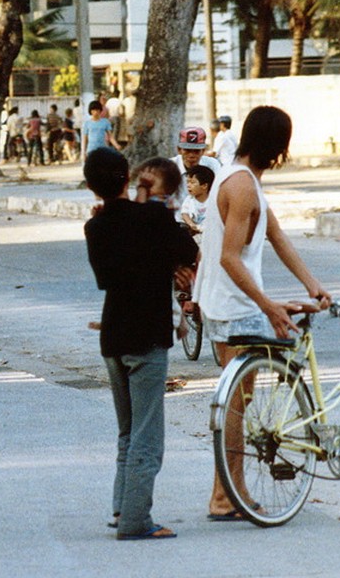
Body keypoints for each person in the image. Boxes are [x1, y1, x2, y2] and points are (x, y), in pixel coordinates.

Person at [192, 105, 331, 521]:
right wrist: (269, 306)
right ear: (277, 148)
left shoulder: (239, 177)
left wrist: (312, 284)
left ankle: (225, 492)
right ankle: (224, 496)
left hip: (229, 300)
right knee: (238, 402)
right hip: (233, 304)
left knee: (241, 398)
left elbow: (276, 235)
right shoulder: (243, 187)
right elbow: (231, 260)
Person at [83, 148, 197, 541]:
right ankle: (135, 521)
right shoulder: (151, 218)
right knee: (148, 435)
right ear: (127, 178)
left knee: (128, 431)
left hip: (113, 336)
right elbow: (189, 250)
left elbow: (111, 274)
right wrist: (154, 207)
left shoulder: (95, 227)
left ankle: (121, 509)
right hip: (147, 336)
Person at [171, 127, 222, 207]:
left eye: (196, 151)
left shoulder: (212, 165)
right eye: (187, 150)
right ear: (179, 150)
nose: (191, 155)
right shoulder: (171, 166)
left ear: (203, 151)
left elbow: (220, 190)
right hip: (177, 215)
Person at [179, 164, 215, 235]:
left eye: (192, 182)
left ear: (204, 186)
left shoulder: (213, 200)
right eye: (187, 182)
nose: (188, 185)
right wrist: (191, 224)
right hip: (194, 231)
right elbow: (184, 213)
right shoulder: (189, 199)